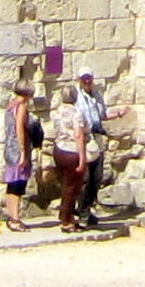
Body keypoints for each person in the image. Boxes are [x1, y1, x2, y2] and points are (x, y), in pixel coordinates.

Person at [45, 80, 90, 231]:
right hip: (72, 151)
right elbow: (78, 134)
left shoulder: (56, 112)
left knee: (65, 184)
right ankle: (66, 220)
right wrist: (83, 158)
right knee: (72, 187)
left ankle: (66, 215)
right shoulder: (76, 113)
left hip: (59, 149)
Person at [73, 67, 109, 226]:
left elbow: (102, 115)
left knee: (97, 177)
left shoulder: (97, 96)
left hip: (97, 141)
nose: (87, 81)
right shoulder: (77, 97)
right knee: (85, 178)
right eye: (84, 78)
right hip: (84, 141)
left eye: (89, 78)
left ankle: (86, 208)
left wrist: (119, 114)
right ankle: (82, 211)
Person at [0, 78, 35, 229]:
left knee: (12, 182)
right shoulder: (21, 106)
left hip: (9, 147)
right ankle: (15, 219)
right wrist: (23, 152)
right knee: (18, 184)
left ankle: (13, 216)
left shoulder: (10, 104)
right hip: (17, 148)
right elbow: (19, 128)